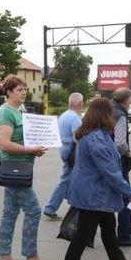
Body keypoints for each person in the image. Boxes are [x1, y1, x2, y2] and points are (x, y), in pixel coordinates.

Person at [62, 98, 131, 260]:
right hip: (93, 194)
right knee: (83, 234)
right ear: (104, 115)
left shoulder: (96, 133)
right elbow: (109, 171)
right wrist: (128, 191)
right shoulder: (96, 137)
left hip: (96, 192)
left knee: (108, 230)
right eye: (111, 114)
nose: (113, 117)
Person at [0, 74, 56, 260]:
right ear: (9, 91)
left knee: (10, 213)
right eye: (20, 89)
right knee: (33, 211)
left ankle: (5, 256)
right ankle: (31, 257)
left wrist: (34, 148)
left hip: (19, 167)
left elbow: (22, 140)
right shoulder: (6, 112)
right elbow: (3, 144)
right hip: (14, 168)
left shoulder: (18, 110)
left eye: (25, 89)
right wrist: (30, 149)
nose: (24, 93)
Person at [42, 92, 84, 221]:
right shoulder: (75, 118)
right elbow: (77, 138)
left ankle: (59, 205)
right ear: (80, 104)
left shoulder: (64, 115)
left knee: (69, 179)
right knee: (66, 181)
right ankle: (50, 208)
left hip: (64, 150)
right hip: (72, 151)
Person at [112, 88, 131, 247]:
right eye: (130, 100)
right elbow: (120, 143)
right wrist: (128, 154)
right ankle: (124, 234)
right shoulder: (121, 114)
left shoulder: (111, 110)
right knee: (126, 195)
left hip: (111, 161)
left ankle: (127, 227)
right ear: (126, 100)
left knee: (124, 194)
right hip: (119, 161)